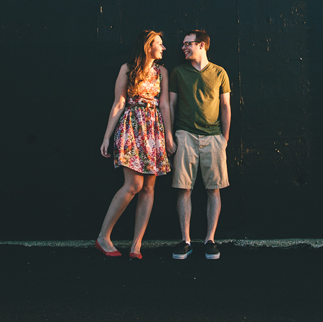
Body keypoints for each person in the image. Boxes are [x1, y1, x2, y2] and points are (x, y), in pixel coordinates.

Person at [97, 30, 175, 259]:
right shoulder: (127, 69)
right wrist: (106, 136)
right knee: (133, 185)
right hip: (132, 127)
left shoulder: (162, 72)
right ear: (147, 46)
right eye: (159, 44)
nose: (163, 48)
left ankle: (136, 245)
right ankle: (103, 237)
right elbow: (119, 102)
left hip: (153, 129)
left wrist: (168, 135)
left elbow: (165, 106)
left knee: (149, 187)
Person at [169, 30, 231, 260]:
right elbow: (171, 105)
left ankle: (210, 240)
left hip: (214, 137)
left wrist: (224, 138)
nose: (183, 48)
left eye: (188, 44)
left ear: (202, 45)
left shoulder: (219, 73)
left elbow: (225, 106)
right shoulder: (178, 72)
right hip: (184, 135)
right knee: (184, 188)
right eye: (183, 44)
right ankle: (185, 240)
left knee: (213, 189)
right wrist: (171, 135)